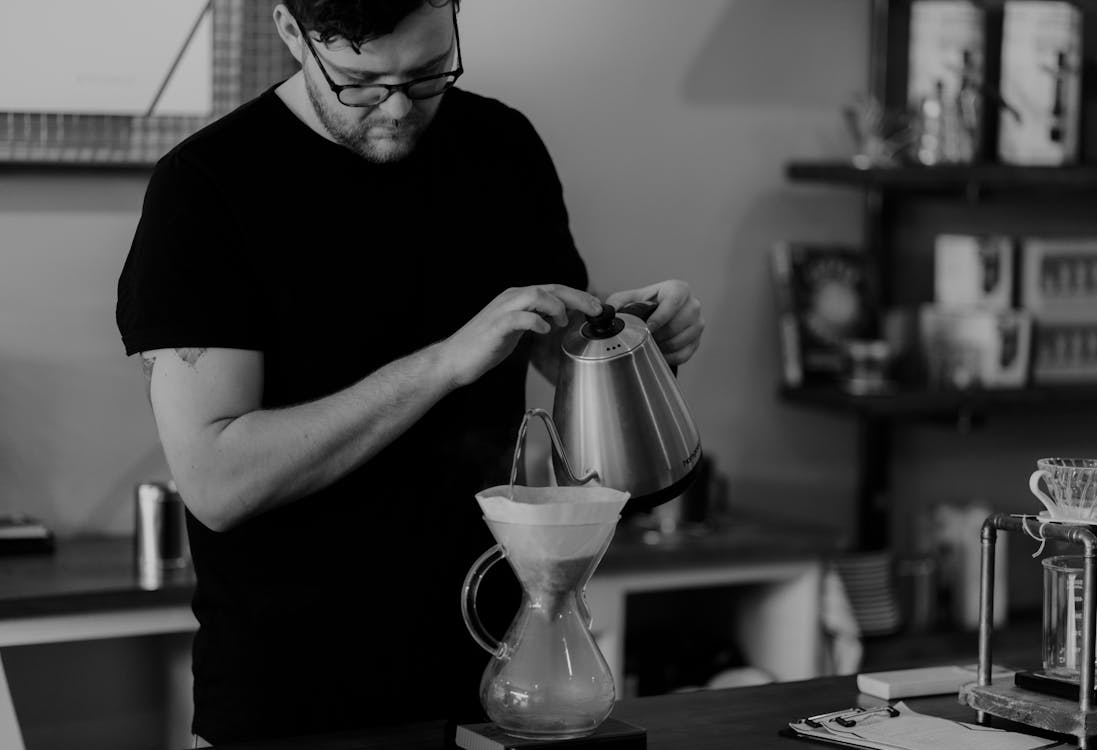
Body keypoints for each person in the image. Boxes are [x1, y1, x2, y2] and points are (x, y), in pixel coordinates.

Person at [116, 0, 704, 744]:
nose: (398, 108)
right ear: (293, 33)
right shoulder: (206, 188)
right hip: (294, 702)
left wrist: (635, 344)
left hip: (498, 680)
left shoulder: (503, 147)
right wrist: (442, 364)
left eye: (428, 74)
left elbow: (556, 359)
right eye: (361, 82)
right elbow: (219, 483)